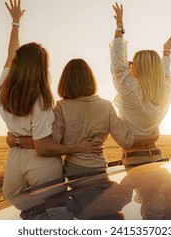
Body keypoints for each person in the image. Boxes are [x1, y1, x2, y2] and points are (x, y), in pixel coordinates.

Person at [0, 0, 98, 214]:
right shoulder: (40, 99)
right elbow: (43, 148)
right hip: (41, 165)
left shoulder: (3, 87)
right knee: (51, 213)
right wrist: (77, 147)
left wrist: (15, 23)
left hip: (14, 158)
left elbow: (11, 53)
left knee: (18, 204)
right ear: (42, 67)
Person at [8, 59, 158, 182]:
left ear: (65, 81)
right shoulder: (106, 106)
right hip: (99, 167)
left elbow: (49, 144)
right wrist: (153, 136)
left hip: (74, 170)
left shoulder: (61, 107)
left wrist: (17, 140)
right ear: (90, 80)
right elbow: (126, 141)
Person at [110, 3, 171, 167]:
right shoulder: (165, 90)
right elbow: (165, 71)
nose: (129, 64)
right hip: (156, 156)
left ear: (139, 67)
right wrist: (166, 51)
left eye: (132, 63)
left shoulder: (131, 92)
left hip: (136, 160)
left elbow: (118, 64)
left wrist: (119, 27)